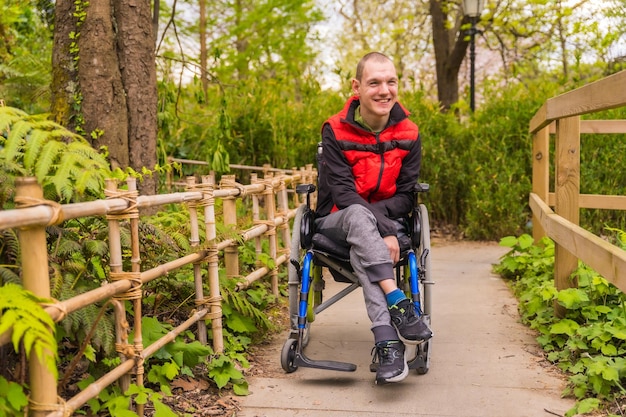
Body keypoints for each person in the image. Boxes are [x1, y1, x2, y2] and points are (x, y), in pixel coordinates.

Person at [314, 52, 433, 385]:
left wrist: (384, 229)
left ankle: (388, 342)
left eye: (391, 81)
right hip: (336, 220)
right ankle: (398, 300)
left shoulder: (409, 132)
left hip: (382, 227)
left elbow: (406, 195)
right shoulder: (334, 130)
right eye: (374, 82)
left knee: (363, 249)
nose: (384, 90)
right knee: (355, 215)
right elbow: (344, 196)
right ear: (357, 87)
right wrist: (387, 232)